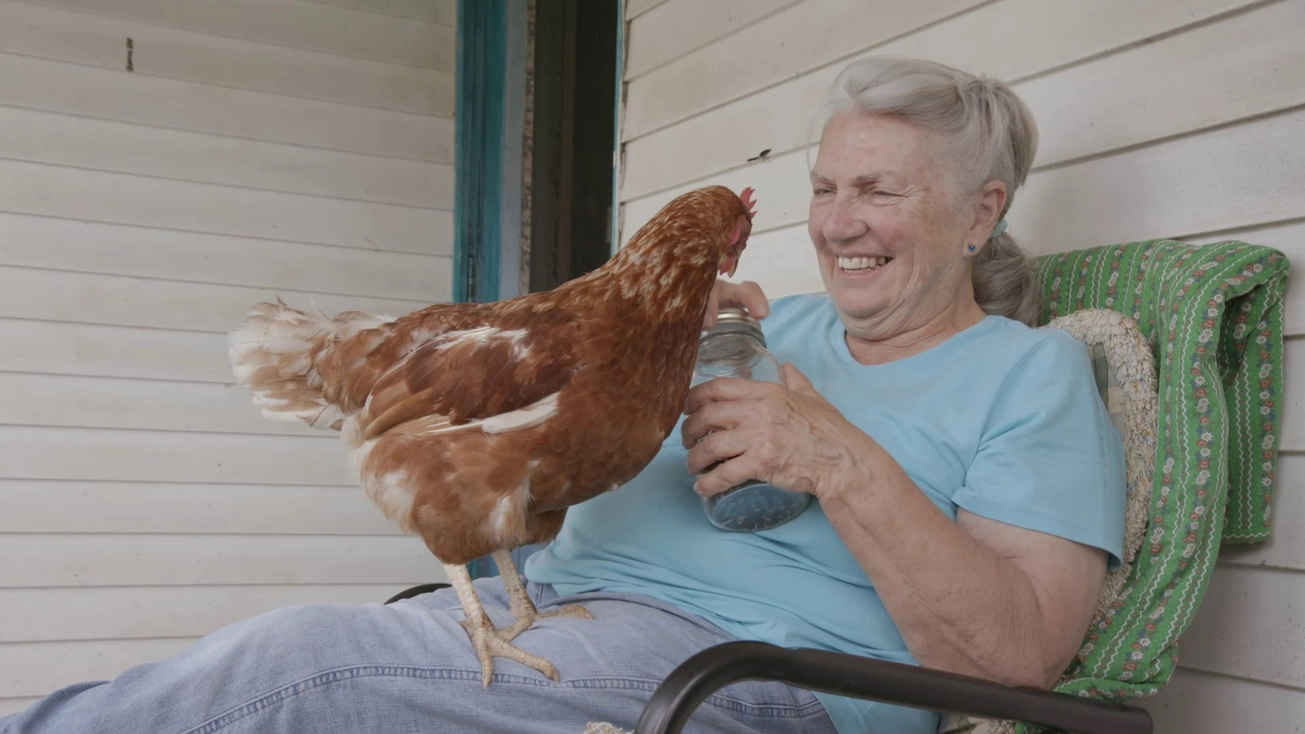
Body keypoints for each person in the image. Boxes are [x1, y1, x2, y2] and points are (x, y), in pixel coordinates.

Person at [0, 57, 1124, 734]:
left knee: (297, 671)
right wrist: (659, 327)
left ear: (980, 213)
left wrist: (834, 458)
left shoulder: (1030, 375)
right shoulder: (768, 326)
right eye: (826, 187)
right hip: (549, 605)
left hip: (734, 674)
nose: (835, 223)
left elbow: (1020, 653)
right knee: (261, 677)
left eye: (876, 191)